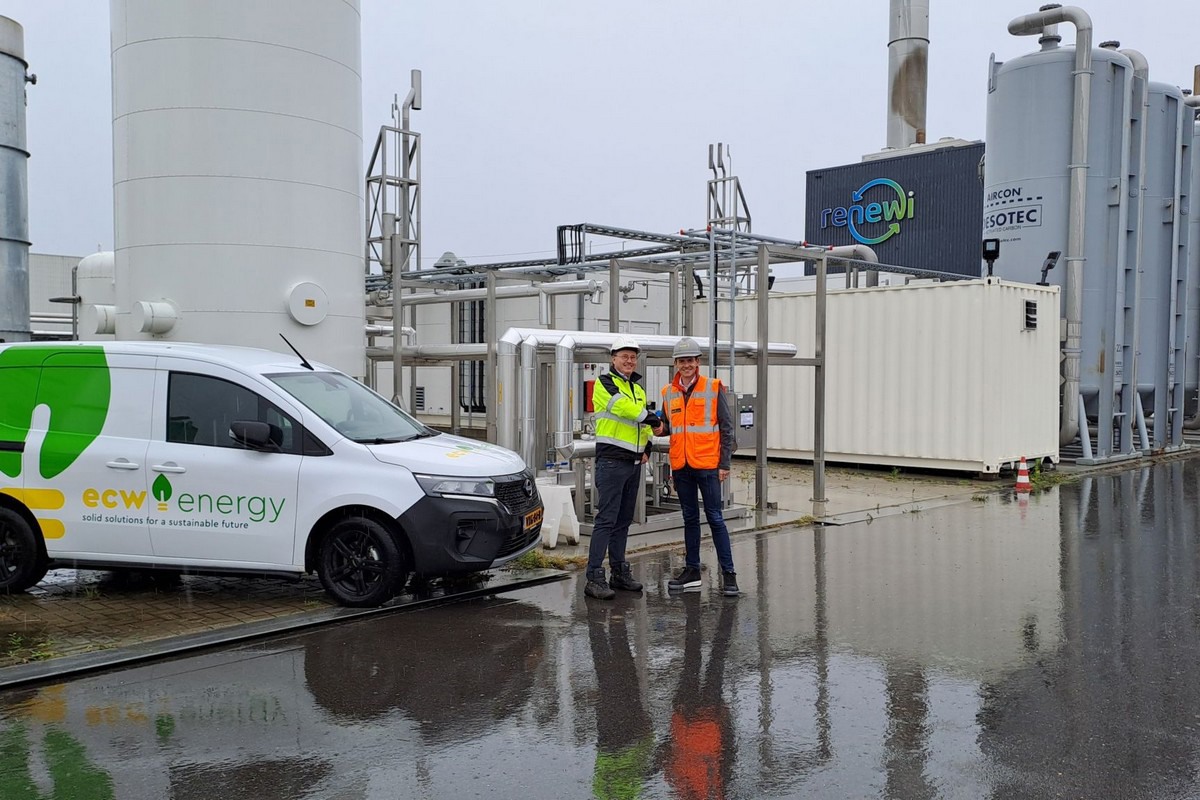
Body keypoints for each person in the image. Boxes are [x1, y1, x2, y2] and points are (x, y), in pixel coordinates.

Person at [585, 336, 664, 600]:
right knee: (606, 520)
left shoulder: (637, 389)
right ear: (613, 359)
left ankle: (619, 571)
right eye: (624, 356)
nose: (629, 361)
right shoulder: (605, 382)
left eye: (633, 357)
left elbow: (641, 424)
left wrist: (648, 447)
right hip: (612, 461)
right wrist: (654, 419)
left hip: (633, 463)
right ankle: (594, 577)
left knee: (623, 520)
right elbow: (624, 408)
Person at [659, 337, 739, 596]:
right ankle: (692, 571)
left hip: (707, 465)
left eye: (690, 360)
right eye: (682, 361)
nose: (686, 365)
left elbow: (727, 428)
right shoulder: (667, 392)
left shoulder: (713, 387)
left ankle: (729, 574)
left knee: (715, 518)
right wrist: (657, 427)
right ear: (676, 364)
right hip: (681, 466)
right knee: (690, 518)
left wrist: (724, 463)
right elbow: (669, 427)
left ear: (698, 362)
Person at [659, 593, 737, 799]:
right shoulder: (708, 793)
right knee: (701, 663)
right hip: (701, 719)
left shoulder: (688, 791)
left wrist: (725, 721)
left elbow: (667, 758)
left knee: (704, 663)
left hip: (699, 719)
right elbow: (728, 757)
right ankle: (701, 618)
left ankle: (698, 617)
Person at [588, 602, 654, 798]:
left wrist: (647, 737)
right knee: (624, 673)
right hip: (625, 740)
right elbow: (640, 769)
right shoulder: (626, 795)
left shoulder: (606, 794)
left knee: (609, 678)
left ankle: (601, 626)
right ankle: (613, 625)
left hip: (615, 744)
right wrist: (647, 736)